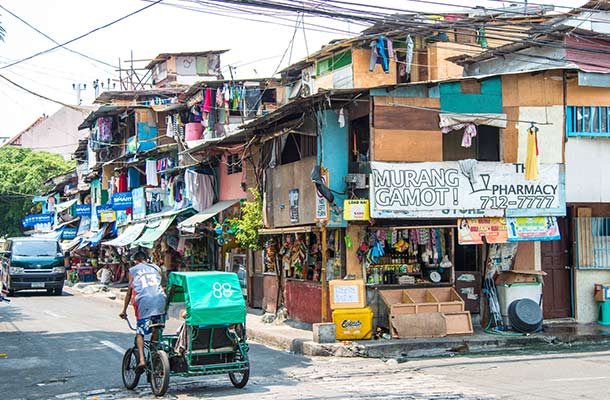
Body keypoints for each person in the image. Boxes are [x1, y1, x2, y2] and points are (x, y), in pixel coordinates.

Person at [119, 251, 167, 370]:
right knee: (157, 326)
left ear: (136, 261)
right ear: (147, 259)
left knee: (140, 332)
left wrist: (124, 310)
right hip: (160, 300)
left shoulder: (133, 270)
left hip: (145, 302)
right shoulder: (156, 268)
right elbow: (163, 283)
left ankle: (141, 360)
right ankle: (154, 351)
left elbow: (129, 292)